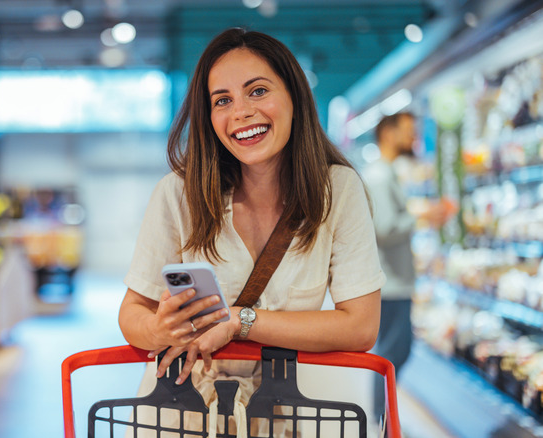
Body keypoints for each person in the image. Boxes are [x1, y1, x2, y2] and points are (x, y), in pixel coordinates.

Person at [118, 27, 386, 436]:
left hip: (294, 415)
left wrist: (240, 321)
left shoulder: (338, 190)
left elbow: (360, 326)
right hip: (185, 416)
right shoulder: (178, 193)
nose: (240, 112)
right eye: (222, 100)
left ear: (294, 96)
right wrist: (158, 328)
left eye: (257, 91)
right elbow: (132, 311)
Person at [363, 111, 452, 423]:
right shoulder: (379, 176)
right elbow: (385, 228)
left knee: (394, 350)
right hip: (390, 282)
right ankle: (380, 418)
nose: (414, 138)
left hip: (393, 280)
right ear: (388, 134)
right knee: (393, 352)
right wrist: (424, 215)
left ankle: (382, 416)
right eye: (408, 132)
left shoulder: (385, 174)